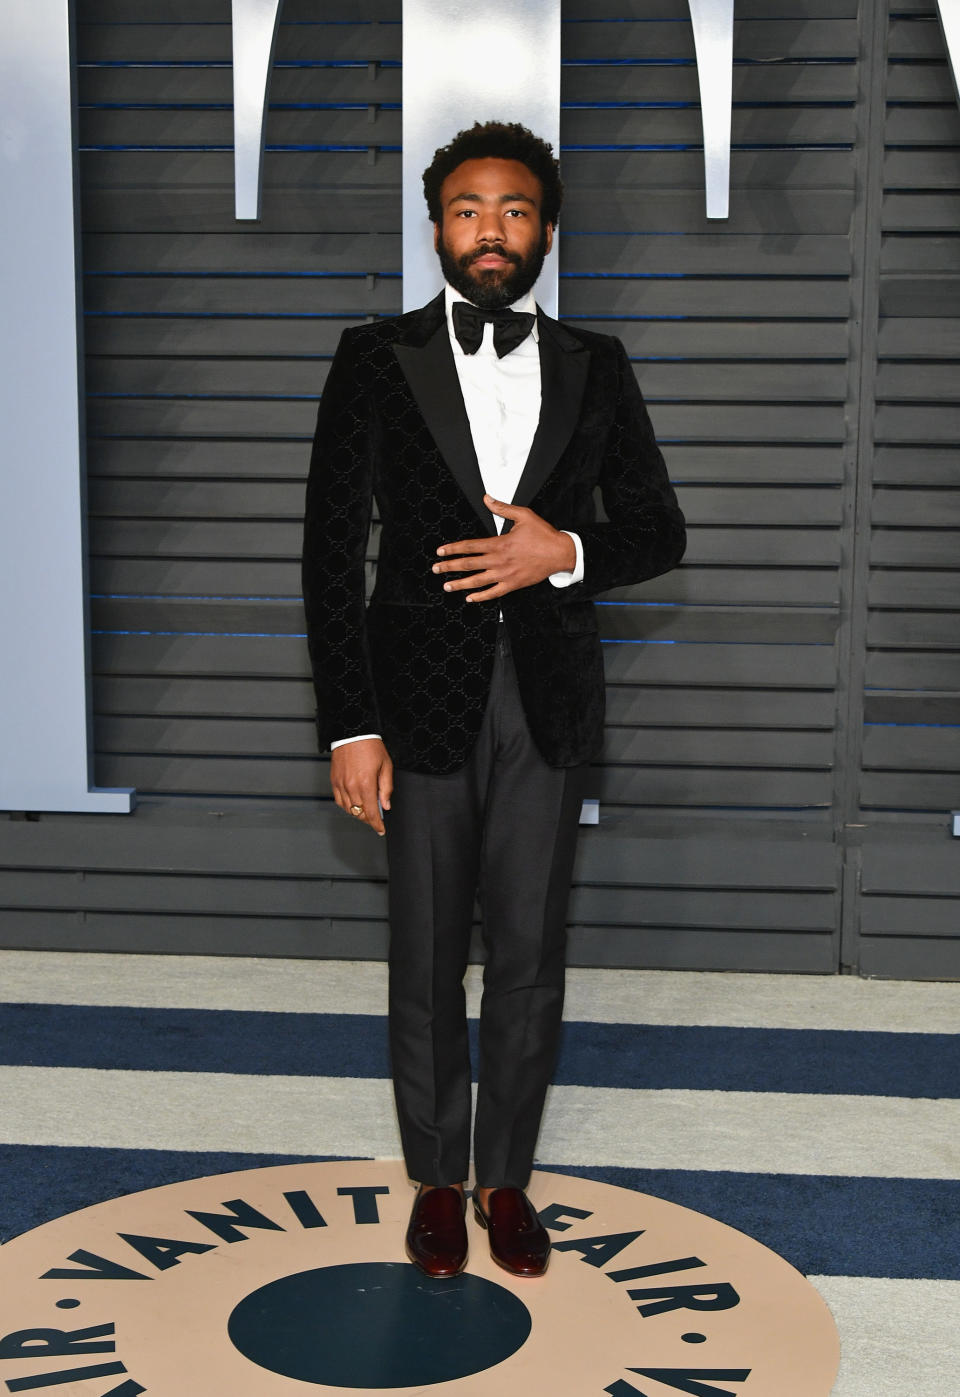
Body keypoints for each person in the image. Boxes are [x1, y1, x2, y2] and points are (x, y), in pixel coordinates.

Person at [302, 120, 685, 1280]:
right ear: (436, 228)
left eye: (516, 211)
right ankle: (434, 1178)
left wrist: (560, 550)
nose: (491, 231)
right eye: (468, 209)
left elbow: (659, 530)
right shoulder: (373, 356)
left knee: (529, 949)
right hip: (415, 698)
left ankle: (505, 1178)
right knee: (423, 952)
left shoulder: (596, 362)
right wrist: (349, 720)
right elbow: (329, 552)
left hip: (551, 698)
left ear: (547, 231)